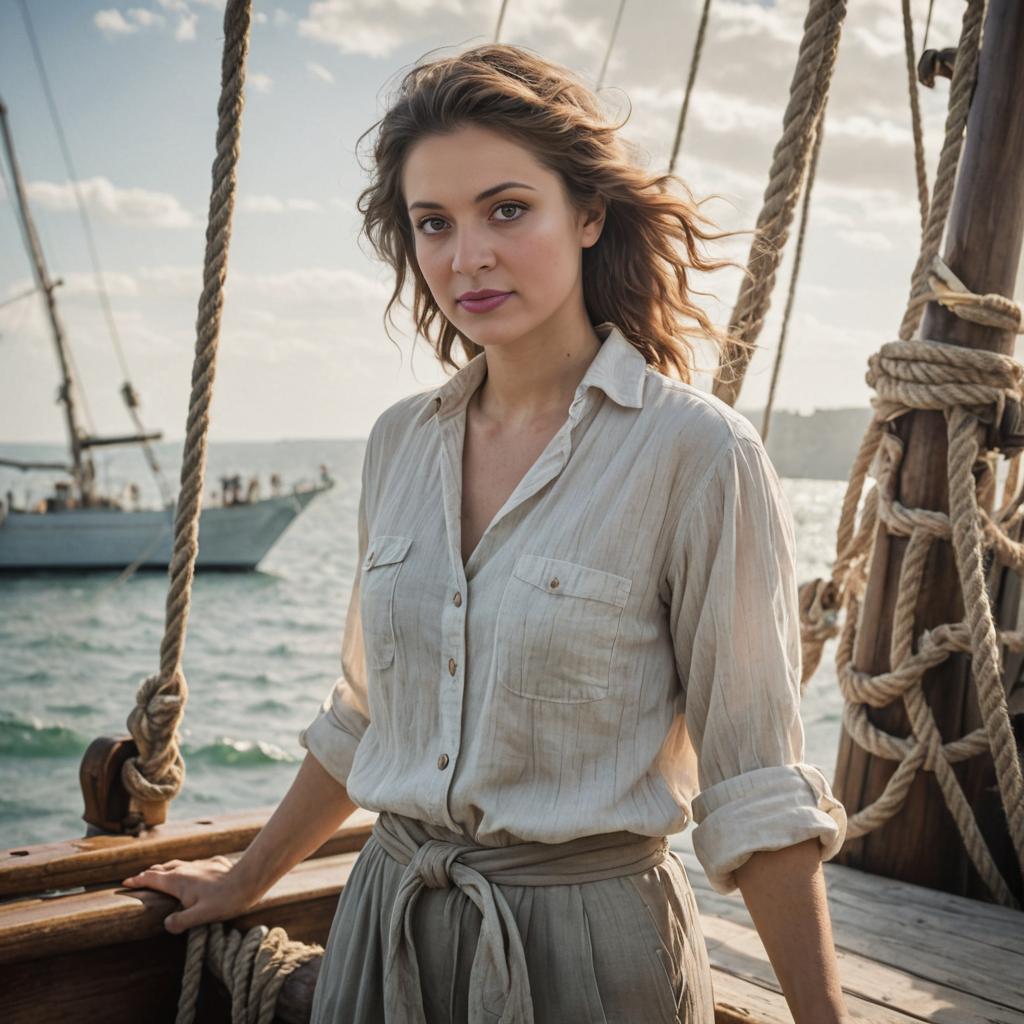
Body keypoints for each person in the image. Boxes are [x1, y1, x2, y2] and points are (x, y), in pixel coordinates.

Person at [121, 43, 850, 1023]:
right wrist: (242, 881)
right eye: (435, 223)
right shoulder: (397, 445)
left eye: (507, 210)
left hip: (593, 958)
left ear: (588, 214)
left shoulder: (698, 454)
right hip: (383, 934)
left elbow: (757, 789)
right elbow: (367, 718)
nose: (467, 256)